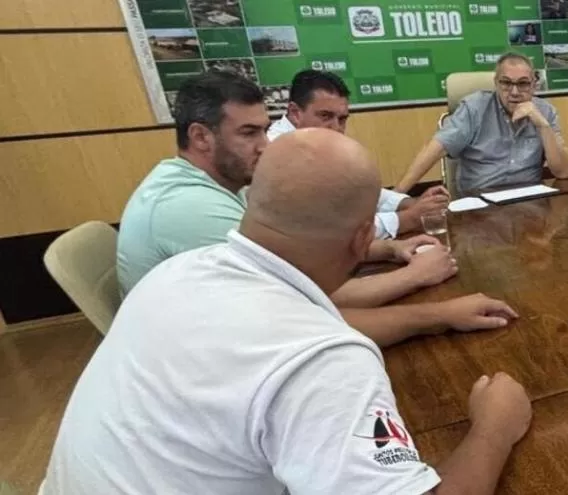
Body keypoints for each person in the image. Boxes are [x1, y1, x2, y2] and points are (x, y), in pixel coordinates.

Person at [41, 128, 532, 495]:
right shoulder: (327, 363)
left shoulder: (178, 272)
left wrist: (437, 315)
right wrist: (495, 427)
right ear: (365, 238)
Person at [116, 72, 469, 333]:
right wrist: (420, 284)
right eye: (248, 133)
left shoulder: (225, 181)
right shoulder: (189, 208)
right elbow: (313, 303)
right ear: (200, 137)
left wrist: (390, 252)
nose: (265, 146)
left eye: (264, 130)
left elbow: (293, 253)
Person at [268, 70, 449, 239]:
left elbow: (354, 193)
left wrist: (410, 204)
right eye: (325, 116)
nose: (336, 128)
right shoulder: (281, 154)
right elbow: (335, 231)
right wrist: (409, 218)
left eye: (342, 119)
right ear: (295, 113)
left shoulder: (316, 141)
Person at [394, 53, 568, 195]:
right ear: (496, 83)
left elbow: (563, 172)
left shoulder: (546, 112)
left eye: (523, 84)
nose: (515, 92)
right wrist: (396, 196)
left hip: (529, 200)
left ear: (534, 85)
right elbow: (436, 148)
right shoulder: (475, 108)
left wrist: (542, 125)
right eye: (506, 83)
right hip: (480, 203)